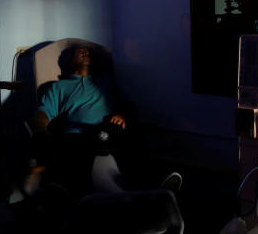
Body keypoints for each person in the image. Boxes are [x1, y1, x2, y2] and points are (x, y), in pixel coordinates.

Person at [24, 44, 181, 198]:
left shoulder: (107, 82)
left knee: (133, 139)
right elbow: (43, 113)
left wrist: (124, 114)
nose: (86, 53)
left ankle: (156, 187)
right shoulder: (58, 87)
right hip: (78, 134)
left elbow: (128, 105)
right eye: (80, 52)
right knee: (74, 155)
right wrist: (41, 129)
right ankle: (72, 197)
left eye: (88, 52)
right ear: (69, 62)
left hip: (109, 129)